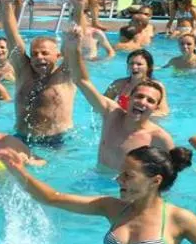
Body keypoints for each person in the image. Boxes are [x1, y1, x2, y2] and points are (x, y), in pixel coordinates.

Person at [0, 146, 196, 244]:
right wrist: (19, 171)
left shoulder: (180, 219)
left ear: (155, 181)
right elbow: (52, 198)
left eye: (128, 176)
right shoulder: (112, 208)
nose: (119, 180)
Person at [66, 29, 175, 168]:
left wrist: (138, 113)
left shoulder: (159, 136)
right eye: (131, 64)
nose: (134, 67)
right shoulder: (114, 104)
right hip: (97, 178)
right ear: (129, 98)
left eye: (150, 100)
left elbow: (171, 172)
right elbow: (86, 86)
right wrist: (73, 49)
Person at [0, 0, 75, 144]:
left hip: (57, 141)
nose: (39, 58)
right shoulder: (23, 71)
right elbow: (12, 37)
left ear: (58, 56)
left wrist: (79, 9)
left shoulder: (65, 75)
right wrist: (6, 4)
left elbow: (76, 42)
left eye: (45, 54)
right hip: (21, 138)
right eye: (34, 54)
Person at [103, 47, 171, 115]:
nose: (134, 67)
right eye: (131, 63)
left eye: (139, 64)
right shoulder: (118, 84)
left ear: (149, 67)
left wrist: (137, 115)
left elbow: (163, 112)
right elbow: (102, 103)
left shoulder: (157, 86)